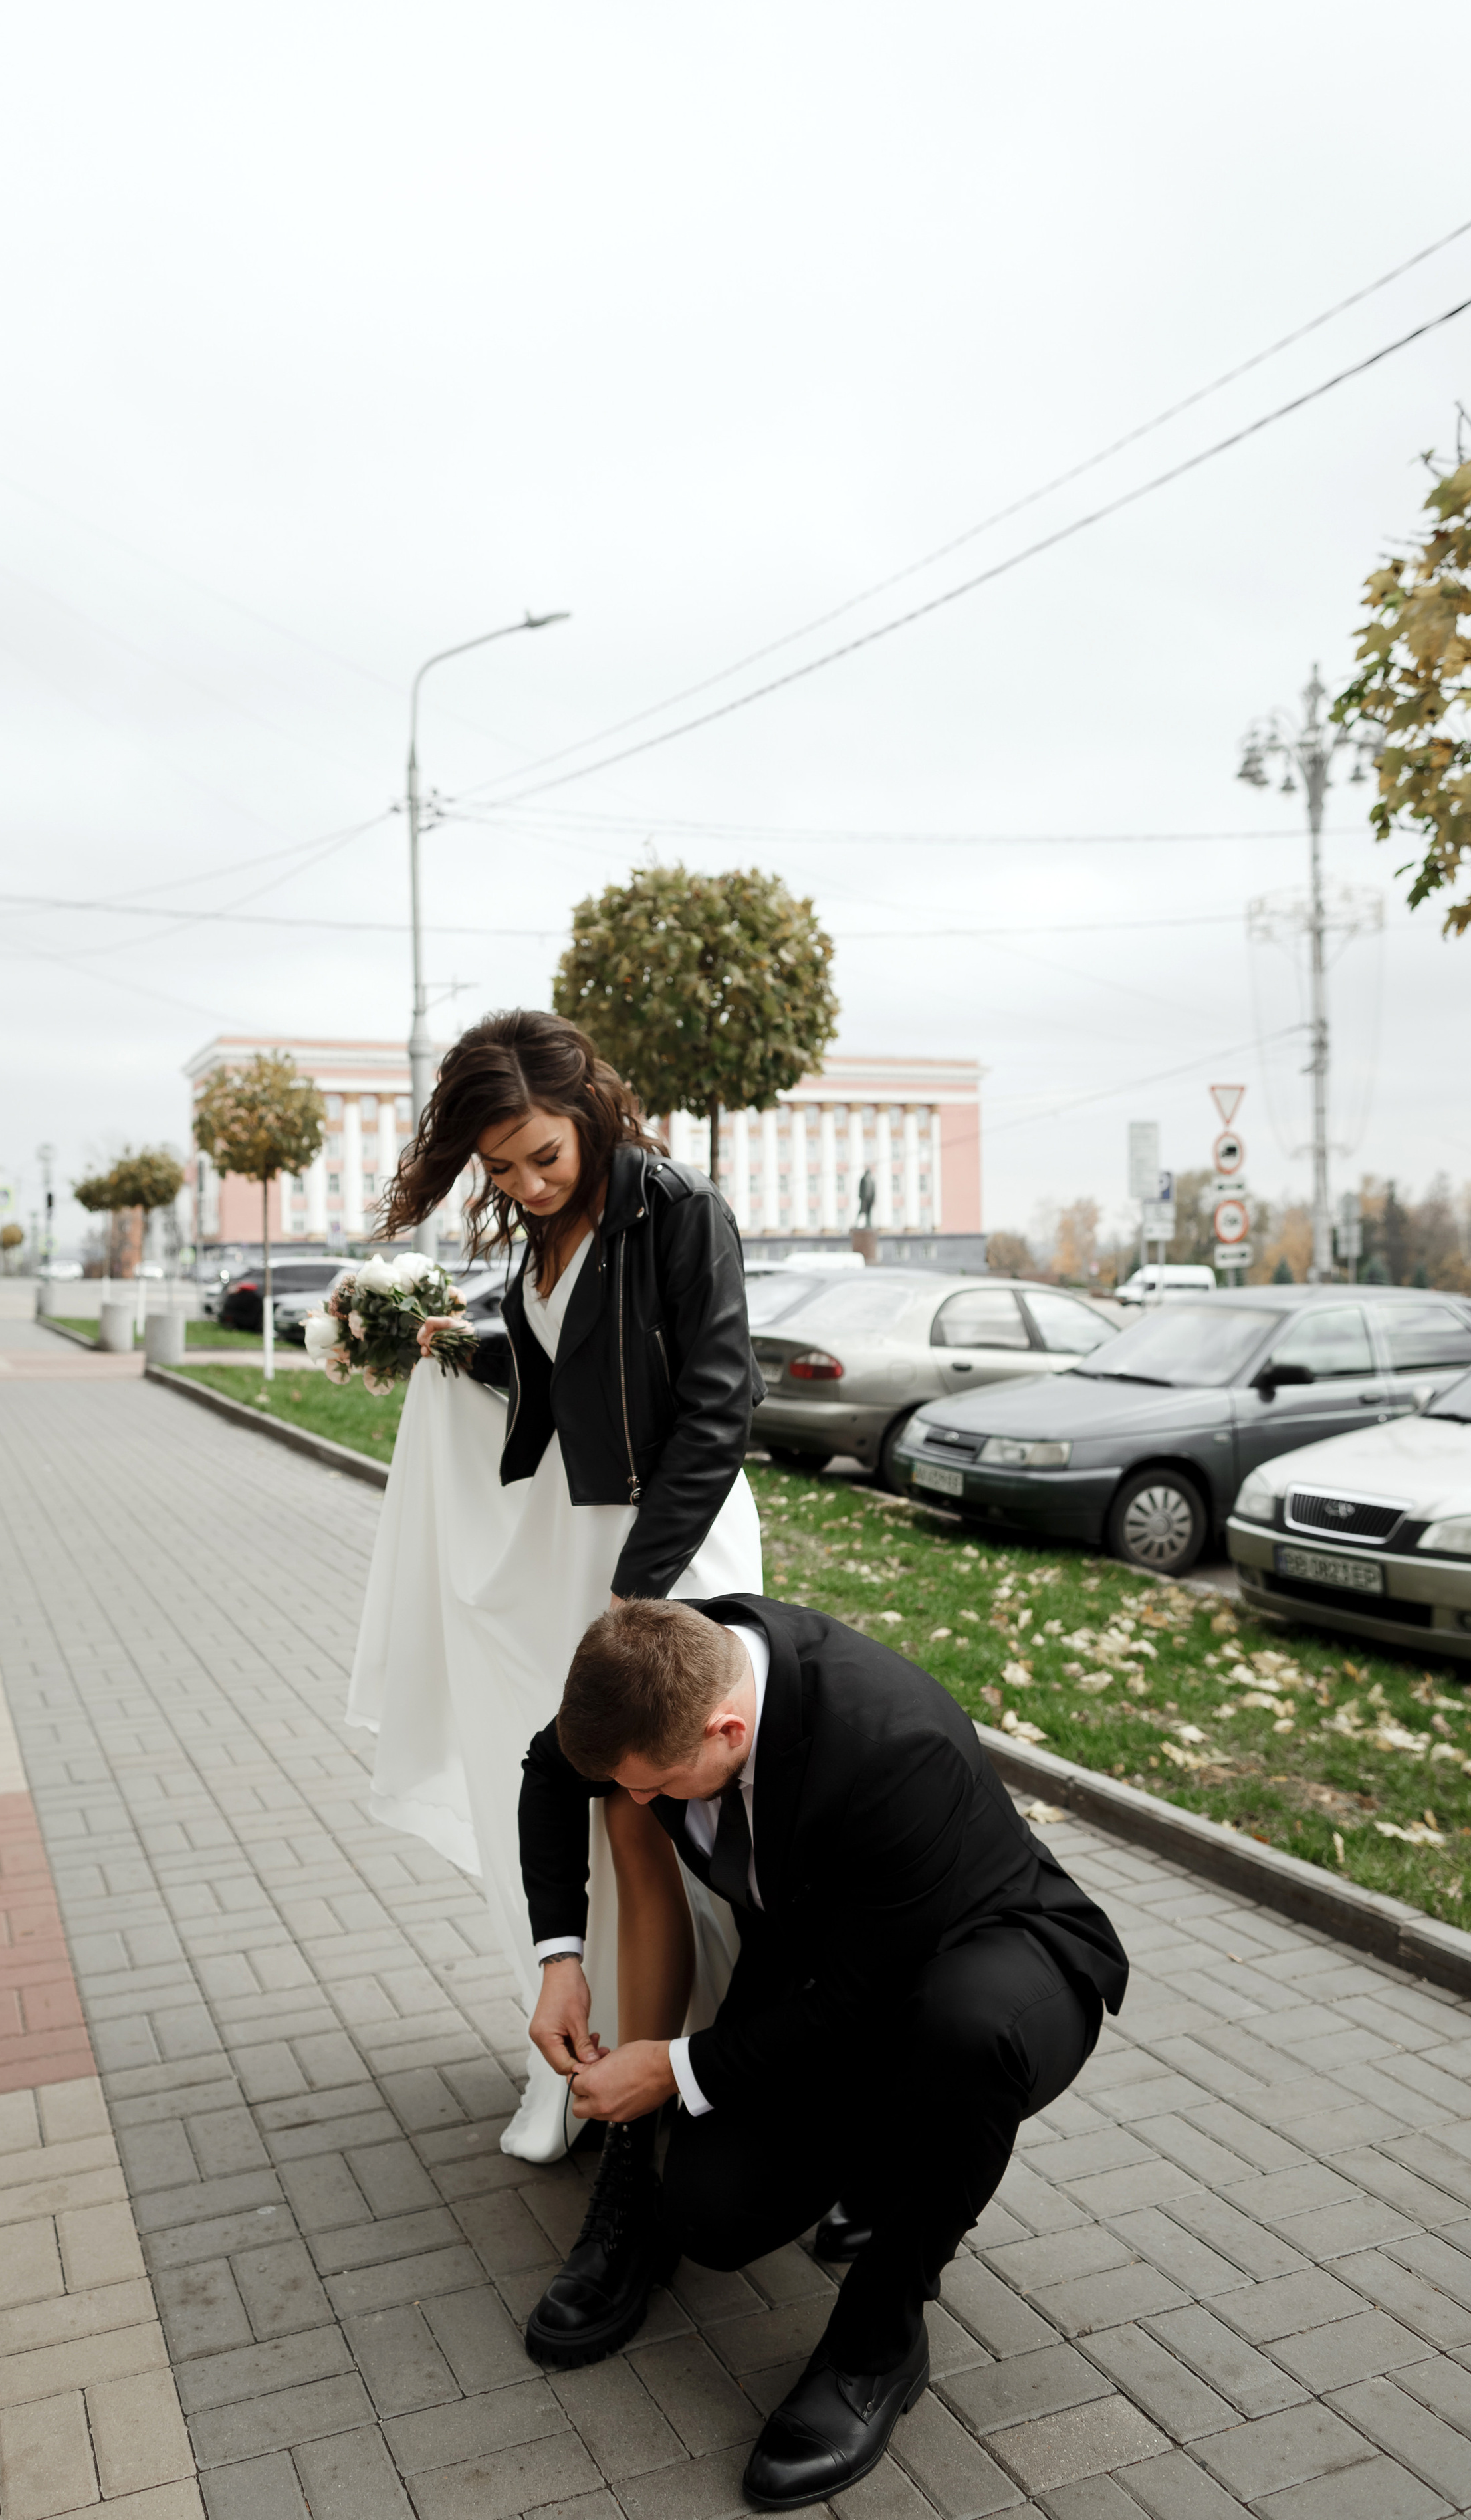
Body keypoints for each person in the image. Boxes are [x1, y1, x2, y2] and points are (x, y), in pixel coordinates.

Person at [516, 1594, 1129, 2509]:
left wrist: (672, 2068)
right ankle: (882, 2168)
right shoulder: (660, 1675)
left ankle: (878, 2346)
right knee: (712, 2218)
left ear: (728, 1730)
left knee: (962, 2040)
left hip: (996, 1957)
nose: (637, 1805)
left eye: (655, 1785)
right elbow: (554, 1768)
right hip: (838, 1973)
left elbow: (859, 2001)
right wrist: (560, 1961)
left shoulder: (890, 1744)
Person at [346, 1008, 764, 2174]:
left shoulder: (681, 1212)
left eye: (544, 1156)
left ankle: (692, 2067)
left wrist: (640, 1595)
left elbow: (720, 1407)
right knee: (589, 1797)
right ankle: (575, 2060)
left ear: (590, 1115)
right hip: (575, 1545)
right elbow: (563, 1378)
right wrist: (466, 1351)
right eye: (499, 1168)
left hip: (672, 1552)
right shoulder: (547, 1240)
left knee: (666, 1806)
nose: (526, 1184)